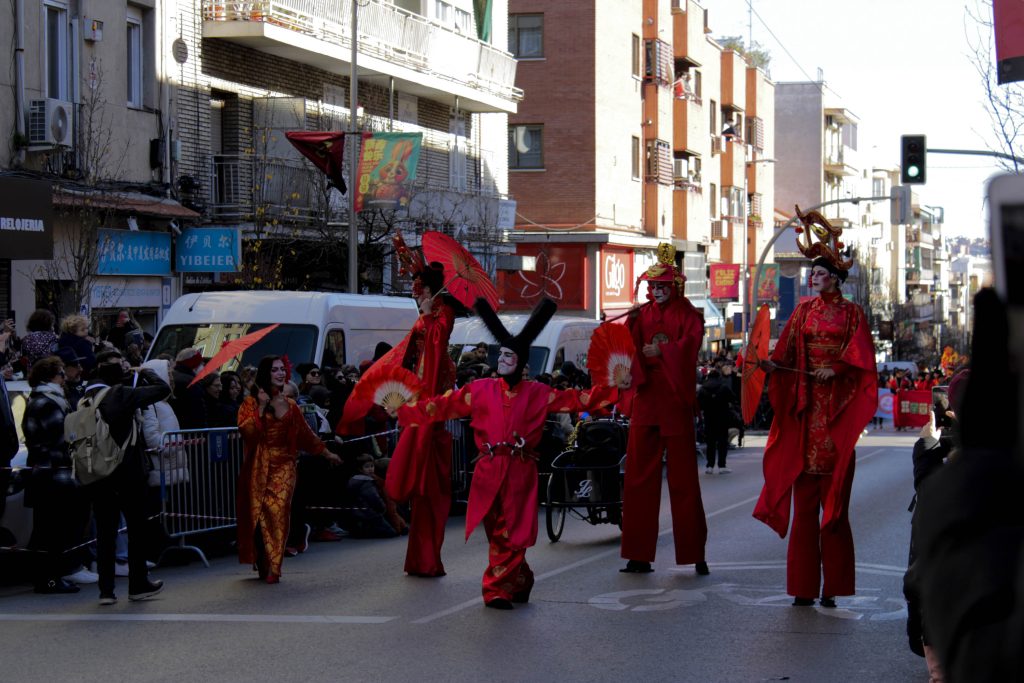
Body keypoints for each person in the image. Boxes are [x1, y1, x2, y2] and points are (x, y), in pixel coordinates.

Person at [396, 298, 619, 609]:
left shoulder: (539, 393)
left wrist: (613, 387)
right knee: (495, 530)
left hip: (519, 469)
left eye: (509, 355)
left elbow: (577, 399)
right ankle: (520, 577)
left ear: (522, 362)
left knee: (510, 530)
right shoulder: (480, 389)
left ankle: (496, 589)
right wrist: (407, 410)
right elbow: (443, 405)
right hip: (487, 470)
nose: (502, 360)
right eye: (500, 354)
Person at [753, 209, 877, 608]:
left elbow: (862, 359)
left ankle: (833, 588)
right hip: (807, 414)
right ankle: (803, 588)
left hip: (836, 416)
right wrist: (771, 363)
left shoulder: (853, 314)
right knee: (805, 510)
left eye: (820, 273)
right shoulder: (804, 311)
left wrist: (836, 367)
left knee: (834, 511)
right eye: (813, 273)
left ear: (836, 278)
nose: (814, 278)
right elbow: (787, 347)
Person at [340, 247, 460, 578]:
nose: (412, 289)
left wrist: (426, 316)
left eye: (416, 284)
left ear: (428, 288)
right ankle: (420, 558)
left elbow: (434, 353)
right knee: (418, 490)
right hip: (418, 406)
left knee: (430, 491)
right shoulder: (427, 315)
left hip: (431, 407)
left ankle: (428, 558)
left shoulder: (443, 313)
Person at [619, 243, 709, 576]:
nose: (656, 291)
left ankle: (695, 552)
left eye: (662, 286)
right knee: (639, 479)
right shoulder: (640, 315)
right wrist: (628, 349)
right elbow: (628, 353)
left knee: (684, 481)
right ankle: (638, 555)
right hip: (647, 399)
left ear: (674, 287)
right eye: (652, 286)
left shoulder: (688, 314)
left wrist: (662, 351)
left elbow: (690, 348)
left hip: (674, 399)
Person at [236, 355, 341, 584]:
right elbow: (248, 433)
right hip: (258, 465)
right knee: (260, 513)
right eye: (275, 370)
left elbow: (306, 436)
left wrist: (327, 453)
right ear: (266, 373)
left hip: (284, 466)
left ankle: (274, 564)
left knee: (278, 511)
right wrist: (262, 406)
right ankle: (263, 559)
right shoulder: (250, 403)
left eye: (283, 369)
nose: (281, 373)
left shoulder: (292, 406)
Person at [86, 349, 172, 605]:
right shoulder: (121, 394)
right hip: (127, 472)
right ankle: (137, 583)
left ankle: (106, 590)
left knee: (105, 532)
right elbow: (161, 389)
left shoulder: (86, 396)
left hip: (99, 473)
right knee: (136, 529)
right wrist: (144, 372)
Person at [22, 356, 94, 593]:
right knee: (51, 530)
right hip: (52, 475)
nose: (64, 378)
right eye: (61, 374)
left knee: (51, 529)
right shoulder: (46, 402)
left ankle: (50, 576)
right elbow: (60, 437)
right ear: (50, 377)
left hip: (53, 474)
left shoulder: (48, 400)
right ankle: (49, 579)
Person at [345, 454, 398, 538]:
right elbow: (374, 498)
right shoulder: (366, 482)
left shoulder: (355, 480)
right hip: (369, 513)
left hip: (358, 512)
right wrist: (382, 508)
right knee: (391, 533)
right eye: (367, 467)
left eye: (372, 466)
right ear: (360, 469)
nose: (370, 469)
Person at [697, 367, 737, 474]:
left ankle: (709, 465)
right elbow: (733, 399)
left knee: (710, 442)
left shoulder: (702, 389)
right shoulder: (723, 387)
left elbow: (699, 405)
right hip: (722, 418)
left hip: (709, 418)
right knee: (722, 441)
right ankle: (722, 465)